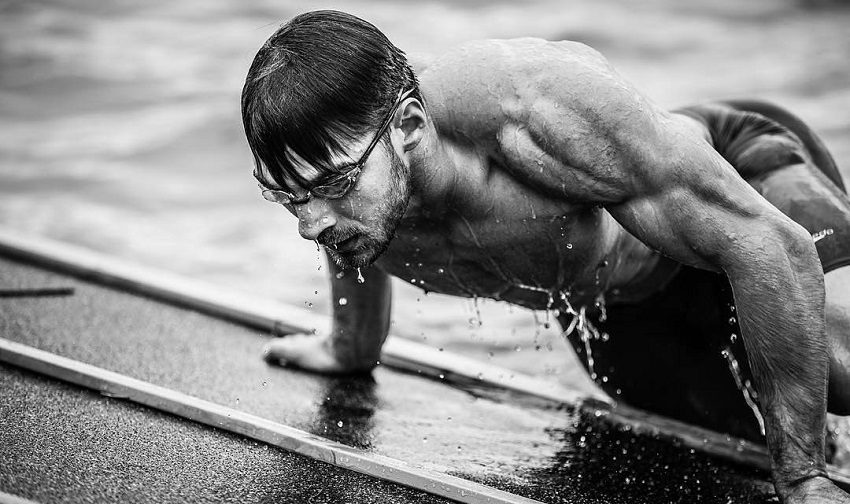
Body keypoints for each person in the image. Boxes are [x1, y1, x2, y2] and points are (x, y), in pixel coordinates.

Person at [240, 10, 850, 503]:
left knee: (834, 372)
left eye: (336, 185)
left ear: (408, 127)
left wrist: (802, 483)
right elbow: (341, 225)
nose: (310, 222)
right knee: (737, 451)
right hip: (624, 307)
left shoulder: (529, 109)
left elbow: (771, 246)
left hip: (745, 190)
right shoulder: (355, 190)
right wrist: (350, 346)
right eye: (287, 195)